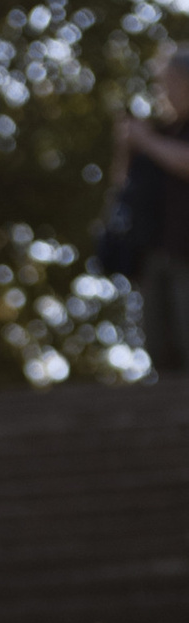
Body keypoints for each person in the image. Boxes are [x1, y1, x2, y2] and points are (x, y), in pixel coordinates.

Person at [108, 47, 189, 379]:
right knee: (160, 348)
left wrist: (147, 141)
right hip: (153, 252)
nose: (164, 91)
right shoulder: (158, 131)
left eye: (170, 82)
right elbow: (120, 191)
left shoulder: (159, 137)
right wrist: (126, 149)